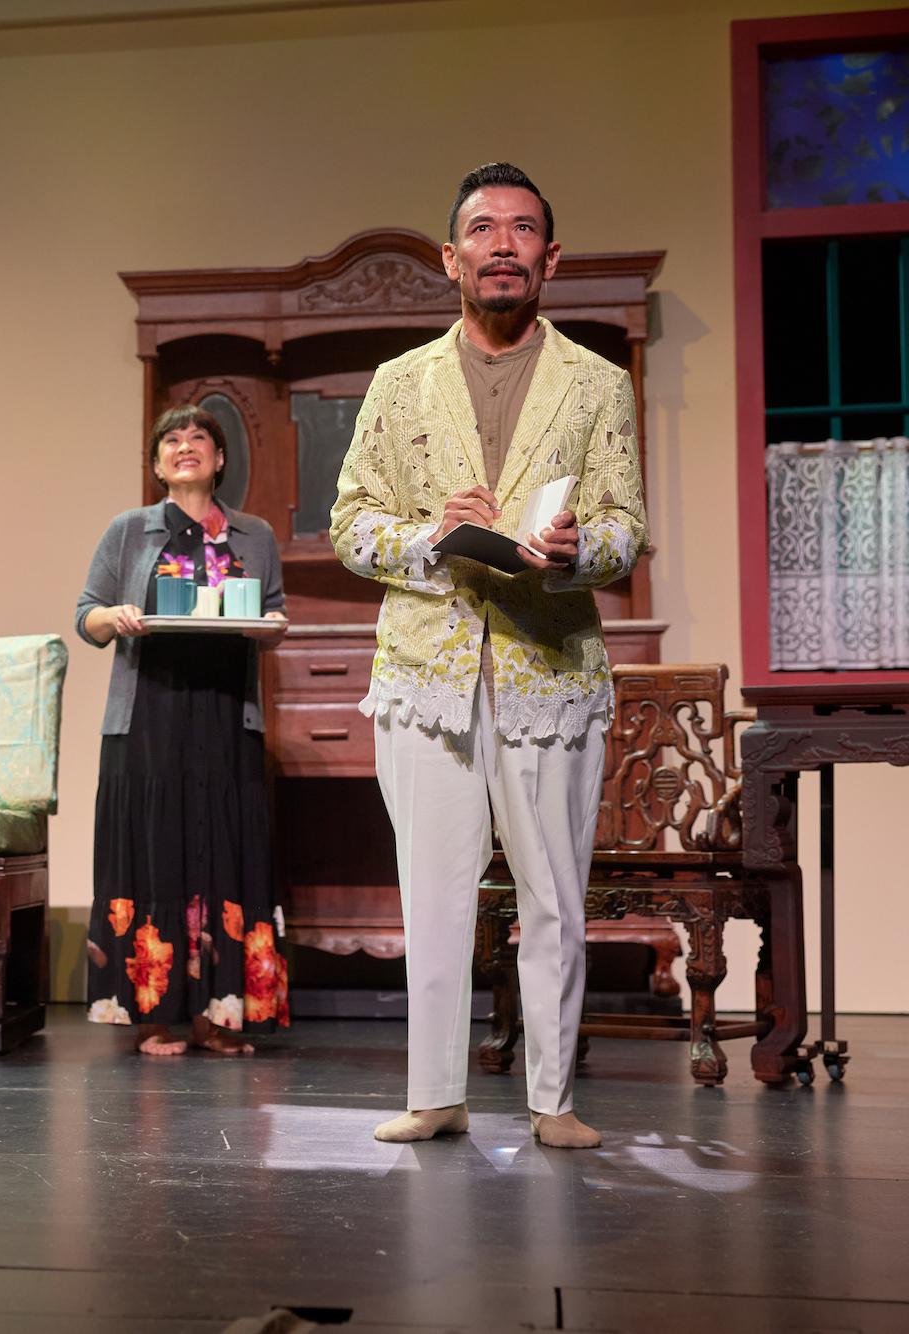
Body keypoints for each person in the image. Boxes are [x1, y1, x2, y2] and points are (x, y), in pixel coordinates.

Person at [329, 163, 647, 1148]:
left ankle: (551, 1099)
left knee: (552, 890)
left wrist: (576, 551)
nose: (500, 244)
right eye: (481, 228)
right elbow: (349, 524)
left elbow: (623, 528)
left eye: (520, 230)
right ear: (449, 255)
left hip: (545, 667)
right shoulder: (397, 384)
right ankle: (435, 1093)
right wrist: (428, 535)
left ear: (548, 258)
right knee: (430, 890)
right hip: (428, 670)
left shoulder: (597, 384)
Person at [75, 408, 291, 1056]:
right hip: (149, 716)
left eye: (199, 438)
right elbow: (87, 616)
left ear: (219, 459)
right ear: (157, 464)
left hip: (225, 714)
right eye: (171, 440)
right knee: (153, 852)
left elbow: (275, 615)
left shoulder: (253, 534)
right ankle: (153, 1018)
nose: (184, 446)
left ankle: (218, 1018)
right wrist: (114, 615)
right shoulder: (130, 530)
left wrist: (268, 626)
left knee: (223, 851)